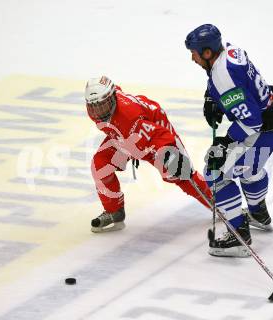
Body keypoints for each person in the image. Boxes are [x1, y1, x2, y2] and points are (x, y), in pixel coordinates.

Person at [185, 24, 273, 257]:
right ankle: (258, 214)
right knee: (248, 168)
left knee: (214, 172)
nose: (191, 58)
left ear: (207, 53)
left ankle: (238, 236)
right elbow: (231, 82)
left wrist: (225, 142)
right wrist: (211, 98)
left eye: (194, 52)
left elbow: (251, 122)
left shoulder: (223, 75)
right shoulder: (231, 51)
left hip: (263, 130)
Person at [85, 75, 212, 232]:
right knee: (100, 164)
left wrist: (168, 152)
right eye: (93, 106)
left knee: (181, 174)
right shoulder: (108, 101)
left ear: (112, 99)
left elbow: (158, 135)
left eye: (102, 105)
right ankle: (114, 211)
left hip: (153, 135)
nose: (98, 111)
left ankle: (222, 206)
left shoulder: (130, 118)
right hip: (125, 138)